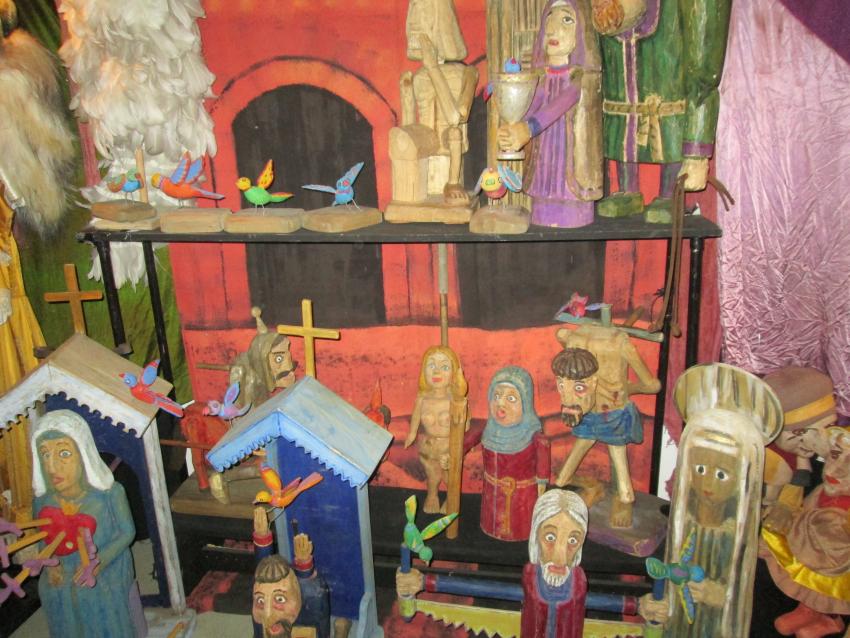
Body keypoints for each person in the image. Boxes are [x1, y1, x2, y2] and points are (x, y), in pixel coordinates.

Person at [640, 363, 783, 637]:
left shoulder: (748, 544)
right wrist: (655, 608)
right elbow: (663, 592)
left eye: (721, 474)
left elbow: (758, 609)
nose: (707, 484)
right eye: (700, 469)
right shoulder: (679, 528)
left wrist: (721, 596)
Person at [31, 410, 146, 638]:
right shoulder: (43, 501)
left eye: (64, 453)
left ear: (82, 453)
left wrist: (98, 562)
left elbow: (127, 533)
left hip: (108, 561)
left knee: (92, 591)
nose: (52, 467)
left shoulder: (110, 494)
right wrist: (50, 564)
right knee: (51, 589)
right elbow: (42, 537)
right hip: (64, 564)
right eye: (45, 454)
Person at [497, 0, 603, 228]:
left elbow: (563, 102)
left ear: (582, 30)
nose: (552, 30)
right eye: (549, 19)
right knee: (543, 183)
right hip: (544, 152)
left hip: (570, 155)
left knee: (568, 185)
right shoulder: (542, 77)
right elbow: (535, 102)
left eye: (567, 20)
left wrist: (528, 128)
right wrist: (515, 126)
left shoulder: (580, 78)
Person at [553, 328, 660, 528]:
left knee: (620, 465)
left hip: (613, 417)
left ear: (592, 382)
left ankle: (624, 499)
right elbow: (562, 337)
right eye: (560, 386)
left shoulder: (619, 344)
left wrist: (624, 389)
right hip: (588, 417)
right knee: (561, 479)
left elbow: (653, 386)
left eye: (579, 388)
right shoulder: (575, 344)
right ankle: (594, 488)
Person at [388, 0, 478, 210]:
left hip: (450, 145)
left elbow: (455, 117)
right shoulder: (419, 77)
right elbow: (411, 126)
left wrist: (433, 69)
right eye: (413, 12)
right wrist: (407, 96)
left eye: (424, 13)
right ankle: (409, 190)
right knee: (400, 139)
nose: (413, 23)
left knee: (454, 132)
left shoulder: (468, 73)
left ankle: (453, 183)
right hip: (426, 144)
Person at [761, 427, 850, 638]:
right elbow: (807, 509)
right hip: (810, 544)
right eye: (835, 455)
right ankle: (825, 620)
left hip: (829, 564)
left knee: (816, 586)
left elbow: (830, 541)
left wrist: (793, 525)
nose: (835, 469)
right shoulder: (824, 490)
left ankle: (813, 612)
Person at [466, 366, 550, 541]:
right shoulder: (488, 430)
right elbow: (465, 442)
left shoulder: (534, 437)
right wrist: (452, 454)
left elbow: (542, 471)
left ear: (525, 403)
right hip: (492, 501)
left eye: (511, 398)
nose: (501, 404)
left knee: (521, 525)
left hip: (522, 503)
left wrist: (541, 492)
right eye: (496, 396)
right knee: (492, 523)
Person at [762, 367, 835, 515]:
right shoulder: (766, 459)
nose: (811, 442)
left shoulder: (812, 459)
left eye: (827, 426)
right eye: (799, 431)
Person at [404, 345, 468, 514]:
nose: (437, 372)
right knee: (432, 474)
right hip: (429, 444)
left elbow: (465, 426)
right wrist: (411, 434)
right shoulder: (422, 398)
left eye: (444, 367)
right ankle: (432, 496)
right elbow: (415, 418)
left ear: (454, 372)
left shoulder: (456, 400)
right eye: (431, 365)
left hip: (449, 446)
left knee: (448, 476)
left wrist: (456, 449)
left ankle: (450, 499)